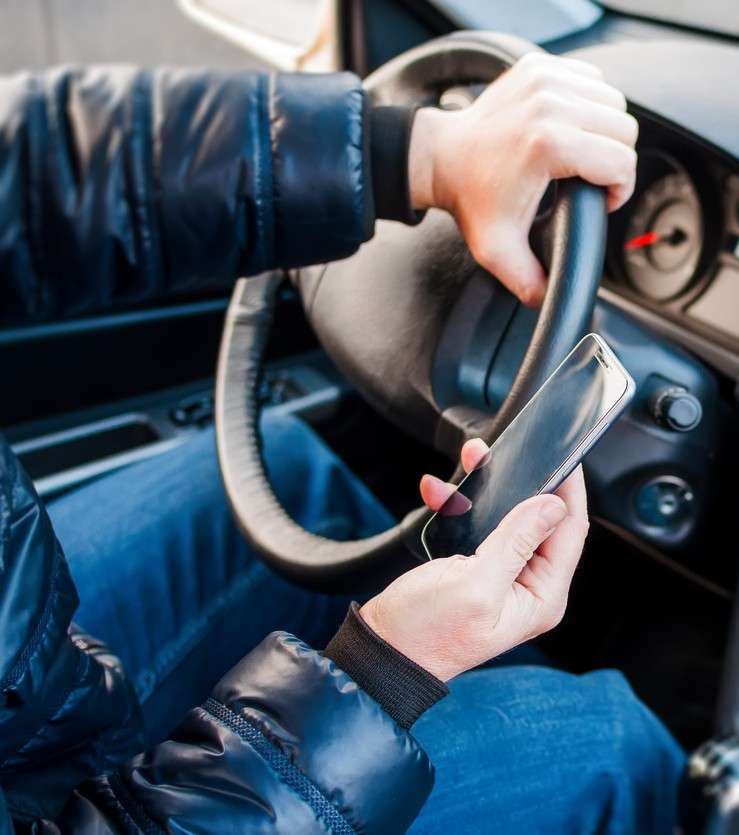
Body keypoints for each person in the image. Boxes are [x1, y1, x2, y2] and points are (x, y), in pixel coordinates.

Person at [0, 52, 682, 833]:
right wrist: (384, 675)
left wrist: (420, 154)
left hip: (27, 692)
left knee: (288, 471)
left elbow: (31, 170)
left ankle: (472, 666)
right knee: (605, 744)